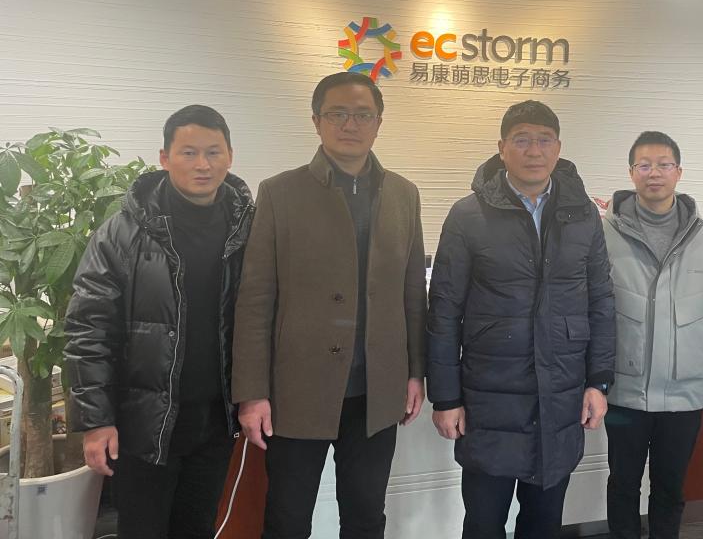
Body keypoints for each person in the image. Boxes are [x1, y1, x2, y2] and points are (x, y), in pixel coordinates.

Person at [232, 72, 426, 539]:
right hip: (296, 390)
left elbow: (412, 294)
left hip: (375, 391)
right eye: (337, 113)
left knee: (366, 516)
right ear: (317, 121)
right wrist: (252, 393)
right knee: (287, 517)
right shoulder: (280, 193)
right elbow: (255, 299)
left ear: (378, 123)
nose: (350, 124)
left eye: (362, 115)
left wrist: (415, 372)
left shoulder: (403, 194)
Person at [427, 100, 615, 539]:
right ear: (502, 148)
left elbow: (601, 301)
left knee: (544, 524)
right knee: (483, 523)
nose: (534, 150)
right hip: (489, 398)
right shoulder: (468, 215)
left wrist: (598, 381)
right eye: (522, 140)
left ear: (558, 148)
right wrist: (446, 398)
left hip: (560, 396)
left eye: (544, 140)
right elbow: (444, 310)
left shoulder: (583, 214)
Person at [65, 104, 253, 539]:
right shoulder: (121, 233)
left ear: (230, 156)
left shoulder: (248, 230)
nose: (202, 164)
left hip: (215, 421)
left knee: (197, 528)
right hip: (143, 424)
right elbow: (88, 329)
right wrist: (96, 421)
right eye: (188, 152)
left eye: (213, 152)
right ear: (165, 158)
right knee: (143, 530)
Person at [602, 131, 703, 539]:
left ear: (679, 172)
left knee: (670, 488)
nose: (654, 173)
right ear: (631, 173)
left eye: (664, 165)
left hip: (684, 393)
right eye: (644, 165)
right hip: (624, 391)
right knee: (622, 485)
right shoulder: (604, 234)